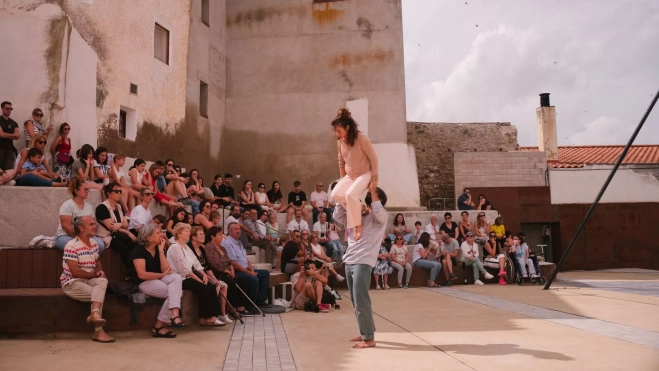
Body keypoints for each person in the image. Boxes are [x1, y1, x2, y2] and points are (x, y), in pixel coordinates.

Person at [333, 178, 387, 349]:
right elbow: (338, 216)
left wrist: (372, 188)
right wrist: (341, 197)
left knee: (361, 300)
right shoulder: (358, 216)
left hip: (363, 262)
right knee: (357, 301)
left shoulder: (381, 216)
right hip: (350, 261)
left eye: (371, 194)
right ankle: (367, 330)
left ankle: (369, 338)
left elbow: (377, 208)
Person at [60, 216, 114, 343]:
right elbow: (75, 271)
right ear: (81, 228)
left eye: (94, 224)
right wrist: (94, 275)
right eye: (91, 224)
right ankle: (98, 331)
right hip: (72, 283)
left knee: (103, 281)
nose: (95, 226)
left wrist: (99, 271)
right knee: (98, 295)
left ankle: (95, 315)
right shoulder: (71, 245)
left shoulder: (94, 243)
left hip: (88, 280)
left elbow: (97, 262)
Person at [331, 108, 378, 242]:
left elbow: (374, 159)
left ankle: (358, 225)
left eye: (339, 131)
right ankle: (360, 208)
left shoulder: (362, 138)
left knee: (350, 195)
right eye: (336, 131)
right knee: (336, 194)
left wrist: (374, 179)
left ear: (347, 127)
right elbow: (341, 162)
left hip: (365, 173)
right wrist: (343, 181)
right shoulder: (340, 142)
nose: (337, 134)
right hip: (350, 176)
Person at [130, 224, 185, 338]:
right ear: (149, 238)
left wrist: (161, 251)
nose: (162, 235)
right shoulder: (138, 250)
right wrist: (162, 275)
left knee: (177, 278)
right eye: (158, 233)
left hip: (159, 278)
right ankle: (159, 326)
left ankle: (174, 314)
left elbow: (166, 270)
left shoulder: (158, 248)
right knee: (174, 292)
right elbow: (142, 274)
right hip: (143, 282)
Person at [167, 223, 225, 326]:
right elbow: (183, 269)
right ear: (179, 234)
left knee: (211, 286)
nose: (189, 233)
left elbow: (197, 263)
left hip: (189, 276)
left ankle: (209, 317)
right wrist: (199, 280)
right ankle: (206, 317)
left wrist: (204, 275)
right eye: (186, 231)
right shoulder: (175, 247)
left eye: (189, 231)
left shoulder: (186, 247)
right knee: (205, 288)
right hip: (181, 278)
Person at [222, 222, 272, 313]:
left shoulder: (239, 242)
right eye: (236, 229)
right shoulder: (228, 244)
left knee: (265, 273)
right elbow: (234, 263)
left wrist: (251, 270)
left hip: (245, 269)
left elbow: (246, 259)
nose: (238, 231)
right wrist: (250, 273)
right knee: (254, 279)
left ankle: (259, 300)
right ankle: (250, 306)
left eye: (239, 229)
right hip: (237, 271)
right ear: (229, 232)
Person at [188, 226, 233, 324]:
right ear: (193, 237)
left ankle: (222, 314)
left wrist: (213, 278)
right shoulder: (189, 248)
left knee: (223, 285)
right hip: (195, 275)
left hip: (204, 274)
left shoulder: (201, 249)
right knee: (215, 286)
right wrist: (211, 279)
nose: (203, 236)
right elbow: (194, 268)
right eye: (200, 234)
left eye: (203, 234)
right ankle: (213, 315)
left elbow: (207, 267)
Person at [204, 226, 248, 316]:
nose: (222, 237)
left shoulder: (222, 248)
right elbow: (215, 264)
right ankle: (232, 308)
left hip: (228, 271)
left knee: (241, 280)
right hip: (217, 273)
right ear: (212, 237)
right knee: (230, 282)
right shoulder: (209, 248)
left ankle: (241, 305)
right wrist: (227, 272)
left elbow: (229, 261)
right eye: (219, 235)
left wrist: (232, 269)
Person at [55, 177, 105, 252]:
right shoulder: (67, 205)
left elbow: (92, 224)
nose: (87, 191)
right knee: (78, 247)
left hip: (85, 235)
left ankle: (91, 262)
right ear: (76, 191)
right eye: (85, 189)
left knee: (100, 245)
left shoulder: (89, 207)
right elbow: (65, 227)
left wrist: (87, 237)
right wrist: (81, 238)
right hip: (66, 235)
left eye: (88, 189)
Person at [96, 182, 136, 270]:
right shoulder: (102, 208)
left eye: (120, 191)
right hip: (106, 236)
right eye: (116, 191)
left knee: (134, 242)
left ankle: (138, 267)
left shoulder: (119, 207)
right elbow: (111, 227)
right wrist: (126, 231)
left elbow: (125, 224)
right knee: (123, 247)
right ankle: (131, 271)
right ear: (108, 193)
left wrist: (120, 224)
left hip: (117, 234)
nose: (119, 194)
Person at [0, 101, 19, 173]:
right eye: (7, 109)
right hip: (0, 148)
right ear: (2, 108)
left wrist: (5, 135)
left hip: (10, 149)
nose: (9, 110)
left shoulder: (13, 123)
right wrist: (12, 135)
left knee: (8, 170)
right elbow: (1, 134)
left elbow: (17, 136)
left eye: (11, 109)